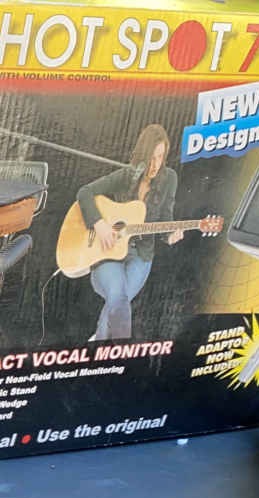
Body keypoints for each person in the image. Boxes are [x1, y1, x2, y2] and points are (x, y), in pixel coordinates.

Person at [75, 124, 184, 341]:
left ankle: (100, 343)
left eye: (160, 157)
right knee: (118, 295)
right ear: (142, 155)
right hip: (108, 251)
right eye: (151, 158)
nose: (155, 165)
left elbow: (166, 218)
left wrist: (170, 235)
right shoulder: (126, 176)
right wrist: (99, 224)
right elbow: (84, 193)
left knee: (119, 300)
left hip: (141, 255)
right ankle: (120, 351)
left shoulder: (169, 179)